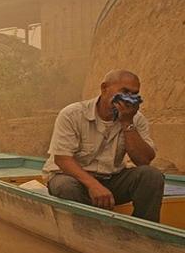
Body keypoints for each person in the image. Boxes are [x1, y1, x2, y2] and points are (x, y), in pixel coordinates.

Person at [43, 69, 164, 222]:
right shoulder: (72, 114)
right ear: (104, 88)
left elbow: (143, 160)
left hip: (111, 180)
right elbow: (62, 159)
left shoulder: (136, 119)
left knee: (151, 176)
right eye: (124, 91)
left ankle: (144, 233)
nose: (129, 98)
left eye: (134, 94)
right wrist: (93, 185)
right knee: (65, 186)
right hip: (75, 180)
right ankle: (91, 231)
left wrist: (127, 122)